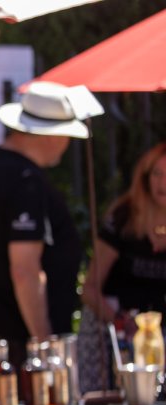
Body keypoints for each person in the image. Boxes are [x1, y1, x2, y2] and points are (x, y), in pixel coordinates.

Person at [0, 81, 92, 374]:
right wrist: (44, 345)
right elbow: (25, 270)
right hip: (17, 340)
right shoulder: (25, 181)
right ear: (51, 136)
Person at [80, 142, 166, 390]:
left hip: (156, 337)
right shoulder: (123, 216)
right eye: (157, 174)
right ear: (145, 177)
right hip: (111, 332)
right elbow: (90, 289)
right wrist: (120, 322)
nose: (162, 183)